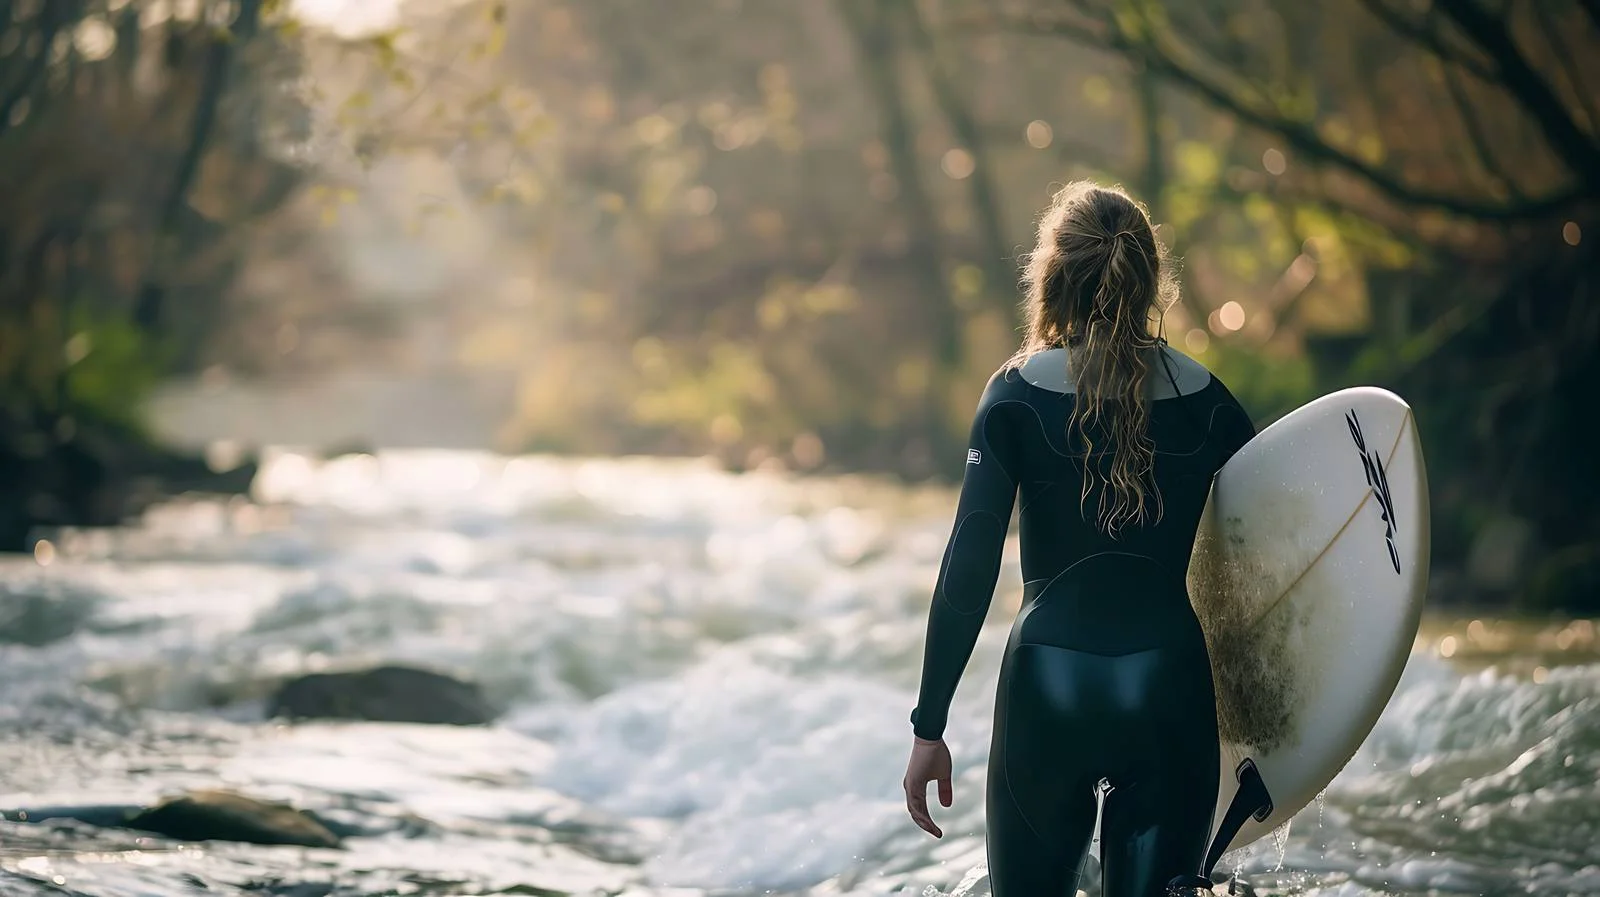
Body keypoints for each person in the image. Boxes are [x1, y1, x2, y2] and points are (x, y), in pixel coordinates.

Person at [900, 181, 1257, 897]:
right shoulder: (1209, 401)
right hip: (1169, 690)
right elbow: (1267, 555)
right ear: (1150, 279)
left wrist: (929, 725)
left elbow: (969, 566)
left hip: (1047, 687)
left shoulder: (1013, 396)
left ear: (1052, 276)